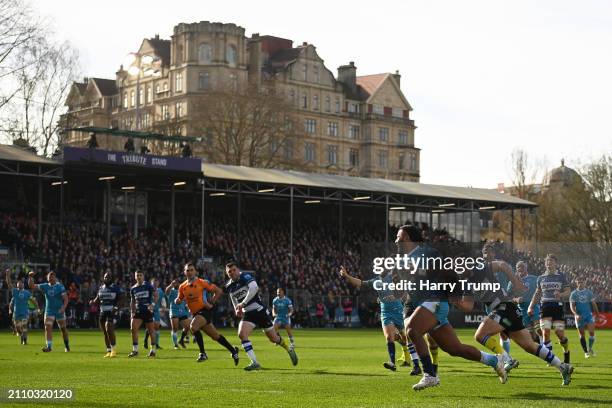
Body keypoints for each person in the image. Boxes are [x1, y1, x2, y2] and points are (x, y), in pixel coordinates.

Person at [397, 225, 505, 391]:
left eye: (401, 237)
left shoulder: (427, 252)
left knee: (412, 330)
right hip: (424, 305)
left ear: (411, 239)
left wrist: (417, 270)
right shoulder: (402, 260)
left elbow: (444, 271)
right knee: (455, 349)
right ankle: (494, 360)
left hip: (435, 301)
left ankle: (430, 375)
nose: (396, 241)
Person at [474, 243, 574, 386]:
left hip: (504, 308)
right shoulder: (477, 274)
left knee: (480, 335)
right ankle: (562, 366)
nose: (487, 256)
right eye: (485, 253)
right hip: (509, 308)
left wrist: (517, 283)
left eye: (489, 253)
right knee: (529, 345)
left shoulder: (486, 268)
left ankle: (506, 359)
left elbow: (503, 267)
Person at [340, 266, 421, 375]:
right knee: (389, 337)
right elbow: (360, 283)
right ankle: (392, 363)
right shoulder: (376, 281)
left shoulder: (394, 278)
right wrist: (347, 276)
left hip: (399, 311)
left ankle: (416, 365)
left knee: (406, 338)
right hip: (386, 312)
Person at [224, 262, 298, 371]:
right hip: (248, 314)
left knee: (273, 338)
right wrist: (236, 308)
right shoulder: (229, 285)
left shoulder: (245, 276)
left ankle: (288, 349)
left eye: (234, 270)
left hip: (259, 311)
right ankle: (254, 362)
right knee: (242, 334)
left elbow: (254, 288)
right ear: (227, 274)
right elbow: (233, 296)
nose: (232, 273)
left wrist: (243, 304)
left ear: (238, 270)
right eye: (229, 271)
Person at [176, 262, 240, 364]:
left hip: (205, 311)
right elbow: (179, 298)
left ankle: (203, 354)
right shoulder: (182, 286)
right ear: (184, 272)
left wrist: (212, 301)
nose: (190, 272)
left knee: (193, 326)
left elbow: (218, 291)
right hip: (196, 313)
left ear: (195, 271)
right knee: (215, 336)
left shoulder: (202, 282)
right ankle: (233, 350)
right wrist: (178, 300)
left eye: (192, 270)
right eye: (187, 270)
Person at [528, 253, 571, 364]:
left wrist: (560, 295)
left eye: (551, 261)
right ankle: (550, 358)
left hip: (557, 307)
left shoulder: (561, 276)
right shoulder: (541, 278)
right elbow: (537, 293)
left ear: (556, 263)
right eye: (547, 261)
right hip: (545, 306)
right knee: (545, 333)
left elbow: (568, 292)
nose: (549, 263)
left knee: (559, 334)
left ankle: (566, 351)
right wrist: (531, 306)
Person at [28, 270, 70, 352]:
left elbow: (66, 299)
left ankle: (67, 345)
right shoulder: (45, 286)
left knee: (63, 329)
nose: (51, 277)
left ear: (55, 278)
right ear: (47, 278)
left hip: (59, 310)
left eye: (52, 276)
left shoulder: (60, 287)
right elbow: (32, 286)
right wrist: (30, 277)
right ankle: (49, 347)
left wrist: (63, 308)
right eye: (49, 276)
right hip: (49, 310)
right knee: (47, 327)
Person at [90, 271, 123, 357]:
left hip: (111, 312)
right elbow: (97, 299)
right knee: (105, 332)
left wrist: (116, 308)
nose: (106, 279)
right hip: (102, 312)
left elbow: (122, 299)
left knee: (109, 329)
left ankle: (114, 350)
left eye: (108, 277)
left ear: (111, 278)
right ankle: (108, 350)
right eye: (105, 277)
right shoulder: (101, 288)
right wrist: (93, 302)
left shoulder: (116, 288)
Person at [510, 261, 542, 343]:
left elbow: (540, 290)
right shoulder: (512, 281)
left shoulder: (534, 279)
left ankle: (546, 346)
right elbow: (509, 297)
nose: (520, 269)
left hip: (534, 306)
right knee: (532, 336)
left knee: (538, 328)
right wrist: (516, 299)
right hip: (522, 309)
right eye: (518, 267)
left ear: (526, 268)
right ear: (516, 269)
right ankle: (541, 349)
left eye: (522, 267)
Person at [128, 270, 158, 358]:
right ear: (135, 277)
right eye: (137, 275)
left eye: (140, 275)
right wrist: (132, 312)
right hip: (138, 311)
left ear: (143, 276)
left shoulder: (148, 285)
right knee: (133, 329)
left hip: (147, 311)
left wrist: (152, 305)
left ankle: (153, 351)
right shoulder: (133, 288)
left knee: (151, 331)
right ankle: (135, 350)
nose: (139, 277)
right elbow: (132, 301)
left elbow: (156, 295)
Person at [569, 278, 598, 358]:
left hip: (588, 315)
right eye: (579, 282)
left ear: (584, 283)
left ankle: (590, 348)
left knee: (592, 333)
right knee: (582, 335)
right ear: (576, 283)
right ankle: (586, 352)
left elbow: (594, 304)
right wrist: (576, 314)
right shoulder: (573, 294)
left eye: (582, 282)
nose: (580, 283)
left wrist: (597, 314)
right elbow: (572, 306)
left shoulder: (589, 292)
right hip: (579, 316)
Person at [6, 269, 32, 345]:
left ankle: (25, 341)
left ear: (23, 285)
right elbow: (9, 283)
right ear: (17, 285)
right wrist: (7, 275)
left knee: (24, 326)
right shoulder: (15, 291)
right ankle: (21, 336)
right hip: (16, 313)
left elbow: (32, 300)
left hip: (24, 312)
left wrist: (37, 308)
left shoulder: (27, 292)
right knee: (18, 328)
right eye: (19, 283)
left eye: (21, 283)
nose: (20, 284)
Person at [165, 279, 191, 349]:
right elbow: (166, 291)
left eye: (178, 283)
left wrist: (187, 305)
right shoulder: (171, 290)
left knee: (187, 327)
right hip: (174, 311)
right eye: (175, 283)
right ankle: (176, 345)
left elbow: (186, 299)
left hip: (182, 311)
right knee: (175, 329)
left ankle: (181, 340)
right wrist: (171, 285)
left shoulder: (182, 291)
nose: (177, 284)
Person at [144, 278, 165, 350]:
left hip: (156, 310)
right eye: (153, 282)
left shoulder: (160, 291)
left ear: (158, 283)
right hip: (149, 310)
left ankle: (157, 344)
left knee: (157, 327)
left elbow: (162, 299)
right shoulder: (148, 290)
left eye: (156, 282)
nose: (155, 284)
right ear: (151, 283)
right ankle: (146, 340)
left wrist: (163, 307)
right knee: (151, 327)